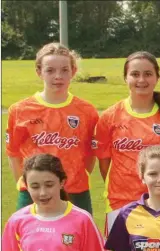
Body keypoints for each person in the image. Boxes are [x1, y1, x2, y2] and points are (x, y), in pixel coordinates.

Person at [94, 51, 160, 235]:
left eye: (148, 74)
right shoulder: (110, 116)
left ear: (157, 77)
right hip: (120, 201)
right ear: (125, 78)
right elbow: (104, 162)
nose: (141, 79)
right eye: (135, 74)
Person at [6, 42, 98, 213]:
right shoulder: (20, 110)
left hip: (76, 191)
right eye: (50, 70)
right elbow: (13, 153)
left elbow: (90, 154)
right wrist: (30, 183)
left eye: (64, 70)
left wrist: (74, 176)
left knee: (78, 239)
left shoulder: (87, 111)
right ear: (39, 72)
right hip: (33, 193)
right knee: (28, 239)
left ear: (74, 71)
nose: (58, 76)